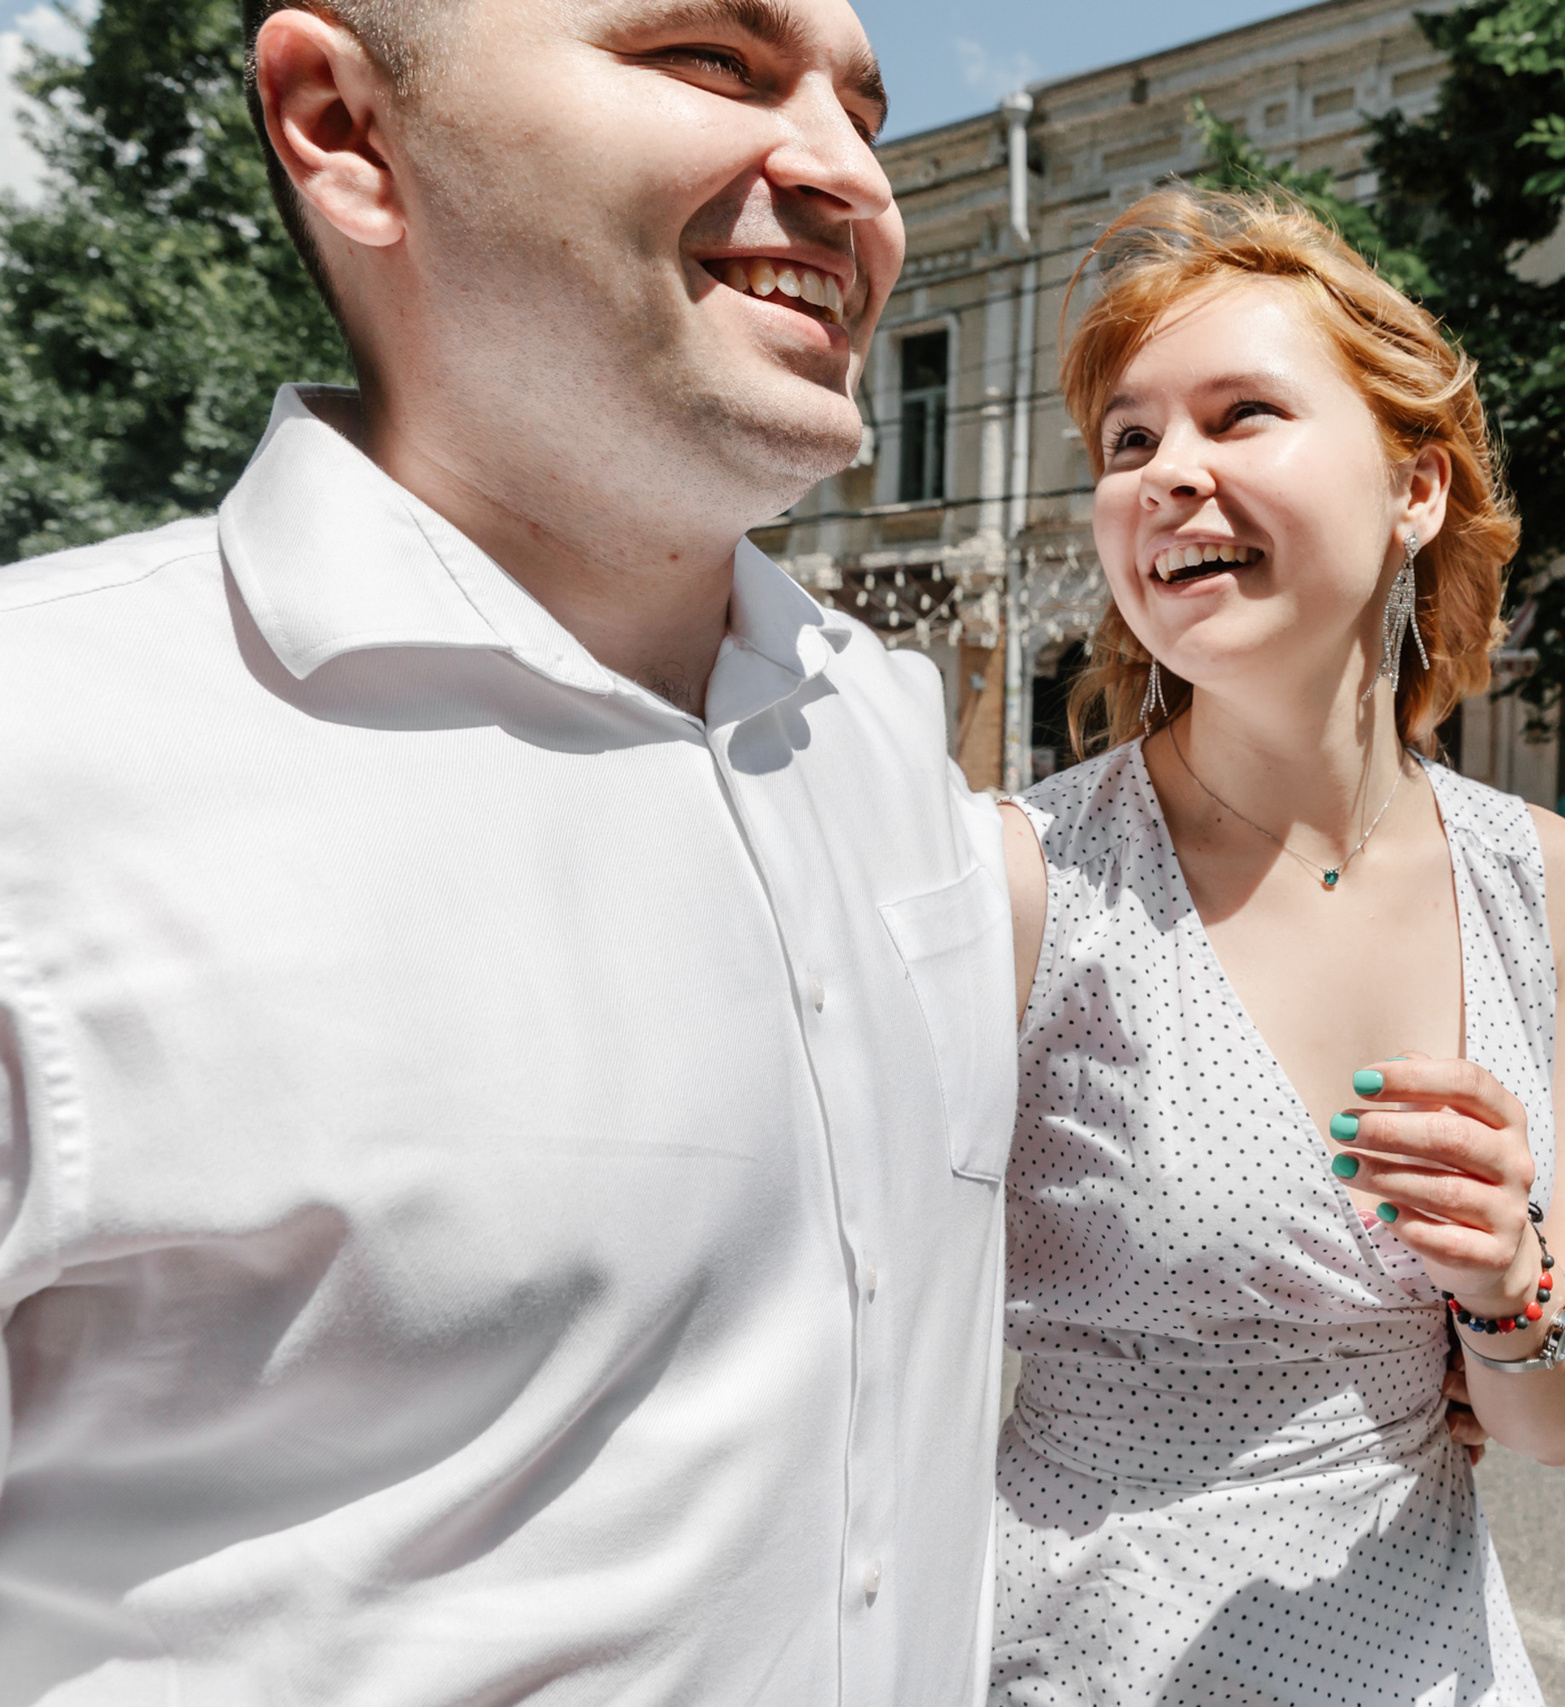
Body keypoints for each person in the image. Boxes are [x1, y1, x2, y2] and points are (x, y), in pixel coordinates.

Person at [0, 4, 1017, 1701]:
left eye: (865, 108)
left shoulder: (890, 731)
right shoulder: (41, 754)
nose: (853, 178)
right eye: (712, 62)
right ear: (346, 128)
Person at [991, 188, 1565, 1705]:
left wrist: (1505, 1277)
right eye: (1129, 441)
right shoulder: (1025, 878)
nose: (1168, 473)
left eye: (1242, 415)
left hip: (1436, 1662)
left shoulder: (1543, 879)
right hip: (1090, 1664)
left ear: (1414, 488)